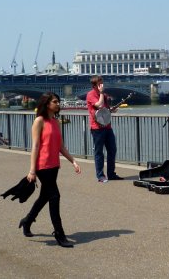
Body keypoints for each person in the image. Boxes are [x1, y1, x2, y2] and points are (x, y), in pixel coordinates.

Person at [19, 92, 81, 248]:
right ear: (47, 104)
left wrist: (73, 161)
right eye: (55, 102)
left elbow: (60, 146)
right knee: (55, 196)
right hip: (42, 166)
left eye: (58, 102)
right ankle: (59, 234)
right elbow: (35, 146)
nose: (58, 104)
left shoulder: (55, 122)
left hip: (54, 165)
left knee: (44, 197)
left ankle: (27, 221)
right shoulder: (39, 121)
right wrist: (32, 170)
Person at [86, 75, 123, 182]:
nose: (102, 85)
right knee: (99, 152)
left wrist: (111, 109)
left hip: (107, 126)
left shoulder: (104, 95)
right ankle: (100, 176)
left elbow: (104, 109)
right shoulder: (90, 94)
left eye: (102, 82)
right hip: (97, 127)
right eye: (99, 83)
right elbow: (98, 105)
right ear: (94, 85)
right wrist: (101, 93)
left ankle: (111, 174)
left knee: (112, 150)